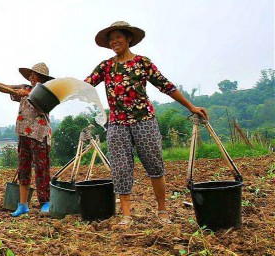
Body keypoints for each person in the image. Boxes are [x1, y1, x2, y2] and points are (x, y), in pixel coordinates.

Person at [84, 21, 209, 228]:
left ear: (128, 39)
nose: (114, 41)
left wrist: (191, 107)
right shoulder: (106, 66)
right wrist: (61, 89)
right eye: (111, 39)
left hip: (144, 121)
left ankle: (162, 210)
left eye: (118, 37)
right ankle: (126, 215)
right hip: (117, 124)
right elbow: (86, 84)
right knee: (120, 168)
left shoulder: (142, 63)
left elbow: (166, 86)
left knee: (154, 165)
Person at [0, 63, 54, 217]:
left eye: (33, 75)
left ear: (41, 78)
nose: (30, 77)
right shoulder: (24, 87)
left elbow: (44, 105)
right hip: (24, 133)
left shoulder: (47, 91)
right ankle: (23, 205)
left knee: (41, 170)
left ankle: (45, 203)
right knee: (23, 169)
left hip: (39, 135)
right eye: (30, 75)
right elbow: (4, 87)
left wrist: (28, 94)